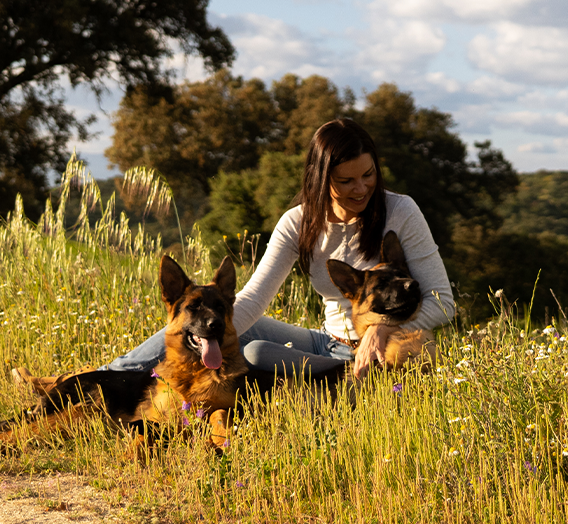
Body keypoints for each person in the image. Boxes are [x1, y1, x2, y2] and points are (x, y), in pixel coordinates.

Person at [13, 118, 454, 393]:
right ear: (321, 180)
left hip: (381, 352)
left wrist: (379, 329)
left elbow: (443, 302)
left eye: (368, 175)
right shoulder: (297, 222)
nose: (361, 188)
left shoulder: (401, 211)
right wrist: (213, 337)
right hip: (326, 340)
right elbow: (252, 301)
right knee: (223, 321)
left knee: (259, 353)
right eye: (346, 181)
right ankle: (83, 383)